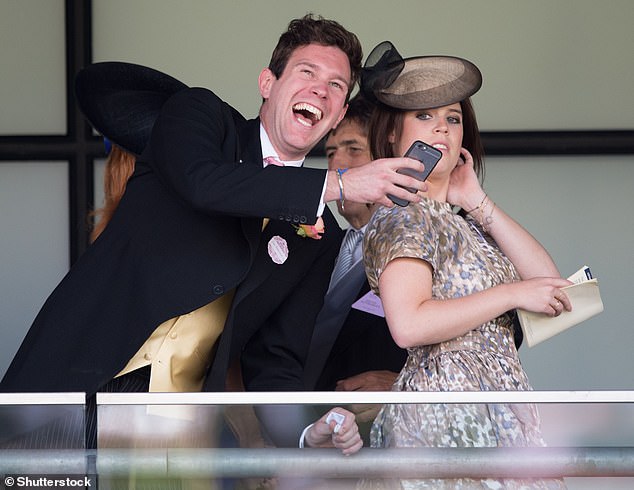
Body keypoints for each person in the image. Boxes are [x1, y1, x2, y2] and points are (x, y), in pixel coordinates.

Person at [2, 15, 431, 455]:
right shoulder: (201, 118)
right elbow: (203, 183)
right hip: (73, 388)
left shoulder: (318, 237)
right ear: (268, 83)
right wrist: (337, 185)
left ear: (338, 115)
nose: (320, 89)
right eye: (307, 72)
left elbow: (275, 359)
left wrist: (305, 433)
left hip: (176, 429)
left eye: (337, 85)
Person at [358, 41, 571, 488]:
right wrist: (510, 295)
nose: (442, 129)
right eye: (424, 115)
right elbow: (409, 325)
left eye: (452, 119)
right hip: (445, 406)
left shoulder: (463, 223)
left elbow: (550, 286)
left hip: (500, 404)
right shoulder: (402, 214)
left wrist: (475, 201)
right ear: (392, 134)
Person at [302, 94, 407, 440]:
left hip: (387, 442)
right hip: (307, 440)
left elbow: (494, 339)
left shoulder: (427, 239)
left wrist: (408, 386)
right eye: (331, 153)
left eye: (354, 149)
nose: (338, 166)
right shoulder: (315, 246)